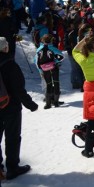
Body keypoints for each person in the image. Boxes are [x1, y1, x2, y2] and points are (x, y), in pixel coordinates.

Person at [0, 37, 38, 181]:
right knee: (12, 137)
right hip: (11, 106)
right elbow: (18, 88)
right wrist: (30, 105)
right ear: (5, 48)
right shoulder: (9, 64)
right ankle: (12, 168)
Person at [34, 34, 65, 109]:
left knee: (48, 84)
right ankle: (56, 102)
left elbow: (36, 61)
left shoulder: (39, 49)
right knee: (56, 83)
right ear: (51, 41)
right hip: (53, 68)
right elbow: (61, 56)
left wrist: (40, 69)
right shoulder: (52, 48)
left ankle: (48, 104)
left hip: (44, 69)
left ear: (42, 40)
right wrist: (56, 62)